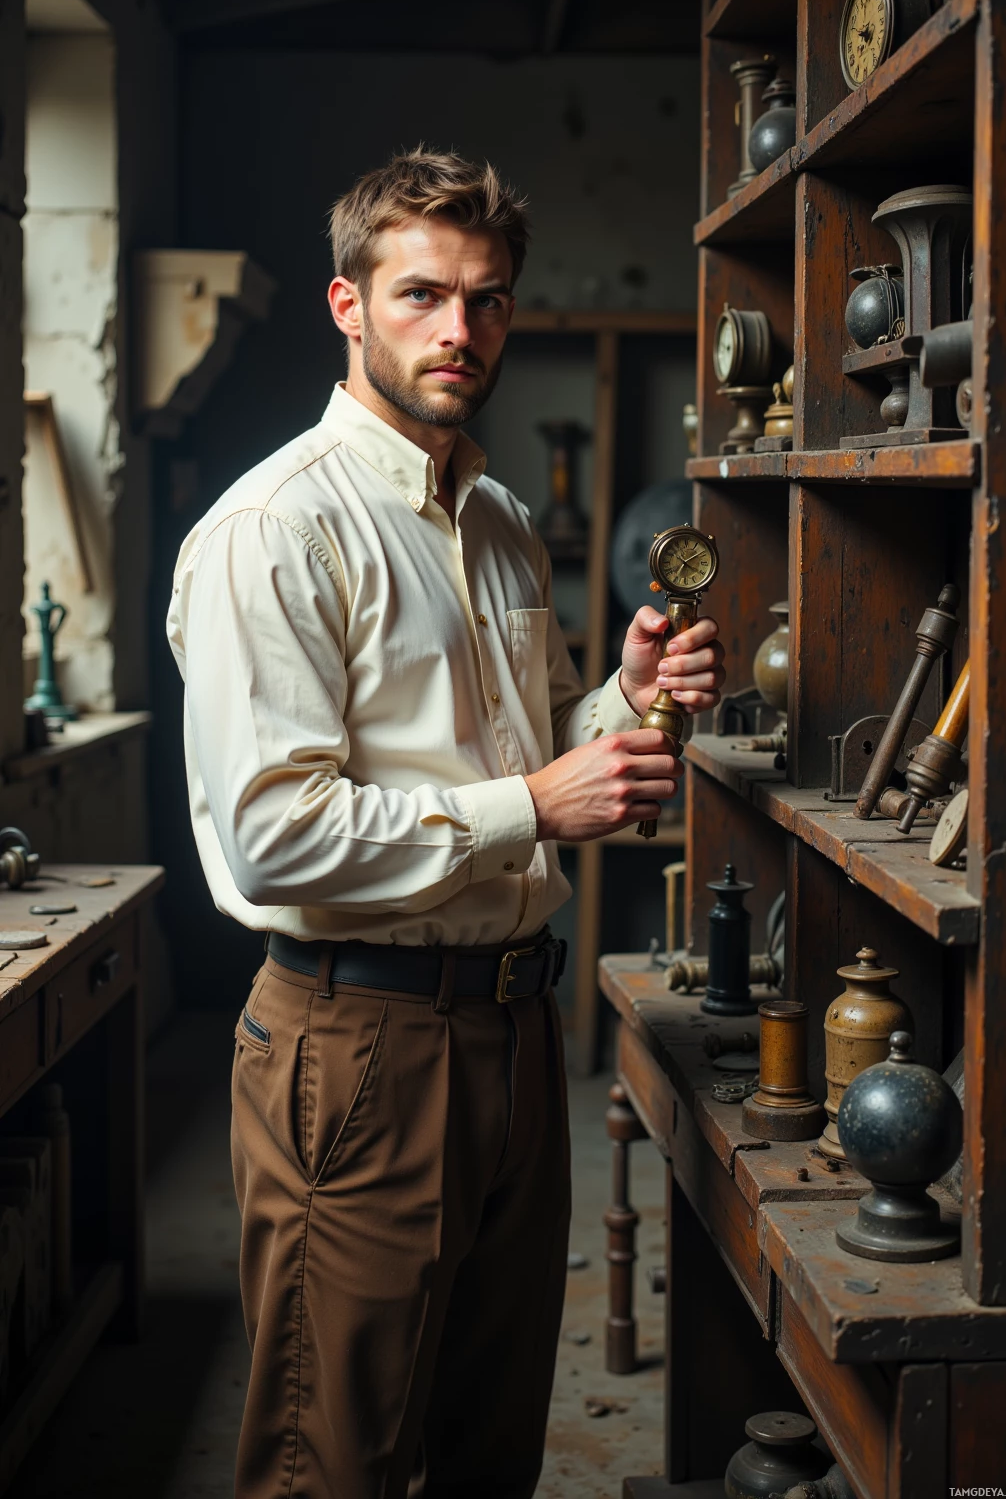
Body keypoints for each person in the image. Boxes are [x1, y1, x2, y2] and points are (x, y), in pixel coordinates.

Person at [166, 146, 725, 1499]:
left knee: (489, 1448)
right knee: (334, 1459)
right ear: (347, 304)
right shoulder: (280, 528)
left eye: (486, 300)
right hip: (355, 1050)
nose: (460, 330)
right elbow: (270, 840)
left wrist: (620, 702)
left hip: (514, 1033)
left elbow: (531, 761)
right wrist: (536, 800)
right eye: (422, 294)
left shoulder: (498, 522)